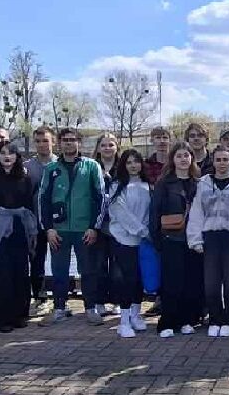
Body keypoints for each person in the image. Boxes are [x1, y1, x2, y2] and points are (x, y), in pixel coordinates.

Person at [38, 128, 104, 326]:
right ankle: (59, 308)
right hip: (59, 230)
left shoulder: (91, 166)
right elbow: (43, 200)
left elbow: (101, 198)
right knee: (59, 270)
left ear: (79, 143)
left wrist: (94, 227)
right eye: (65, 140)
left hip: (84, 229)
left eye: (72, 139)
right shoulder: (51, 169)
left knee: (88, 270)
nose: (69, 143)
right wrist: (48, 228)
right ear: (59, 143)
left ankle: (90, 308)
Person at [187, 145, 229, 337]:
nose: (222, 163)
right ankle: (215, 319)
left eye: (225, 160)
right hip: (210, 237)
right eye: (218, 160)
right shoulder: (204, 184)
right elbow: (197, 212)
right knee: (211, 282)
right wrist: (195, 239)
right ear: (213, 162)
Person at [0, 142, 38, 333]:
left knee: (20, 271)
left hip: (19, 227)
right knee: (0, 273)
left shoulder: (25, 178)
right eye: (2, 153)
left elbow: (29, 206)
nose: (7, 156)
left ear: (17, 156)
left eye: (11, 153)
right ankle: (1, 318)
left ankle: (19, 315)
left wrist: (32, 231)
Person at [149, 141, 205, 338]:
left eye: (186, 155)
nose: (183, 159)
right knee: (171, 282)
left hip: (194, 240)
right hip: (171, 238)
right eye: (179, 156)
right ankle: (167, 322)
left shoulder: (199, 183)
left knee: (191, 281)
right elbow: (154, 212)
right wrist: (157, 239)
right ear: (172, 159)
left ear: (192, 158)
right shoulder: (164, 183)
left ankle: (187, 320)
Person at [95, 148, 151, 338]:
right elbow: (121, 214)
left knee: (139, 279)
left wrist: (147, 232)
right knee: (127, 279)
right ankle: (124, 321)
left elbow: (151, 212)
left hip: (143, 241)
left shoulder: (147, 185)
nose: (133, 166)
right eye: (129, 162)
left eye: (136, 161)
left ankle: (136, 315)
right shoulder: (116, 186)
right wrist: (142, 230)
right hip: (123, 239)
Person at [24, 126, 57, 315]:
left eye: (45, 140)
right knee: (36, 261)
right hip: (35, 222)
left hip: (58, 222)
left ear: (53, 142)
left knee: (60, 261)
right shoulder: (27, 167)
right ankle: (40, 298)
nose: (42, 144)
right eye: (38, 141)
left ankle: (61, 299)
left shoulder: (60, 164)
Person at [140, 126, 170, 317]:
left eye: (164, 137)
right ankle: (158, 300)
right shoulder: (146, 165)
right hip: (151, 217)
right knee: (155, 260)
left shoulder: (175, 162)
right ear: (152, 141)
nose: (161, 141)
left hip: (173, 217)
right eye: (157, 138)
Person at [91, 133, 121, 318]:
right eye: (104, 145)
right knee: (99, 264)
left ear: (117, 147)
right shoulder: (92, 167)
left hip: (118, 223)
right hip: (98, 223)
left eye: (111, 144)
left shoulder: (122, 167)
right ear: (98, 148)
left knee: (118, 266)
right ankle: (100, 301)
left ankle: (118, 300)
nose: (107, 148)